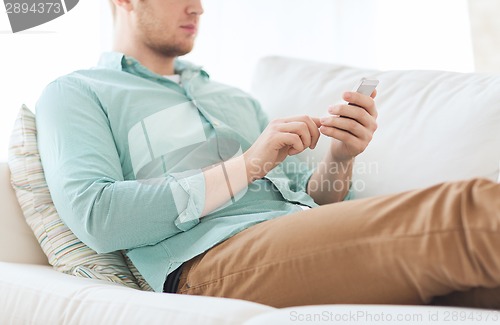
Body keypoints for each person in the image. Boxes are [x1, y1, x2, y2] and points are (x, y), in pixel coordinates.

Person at [35, 0, 500, 309]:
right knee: (468, 209)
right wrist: (250, 163)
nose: (198, 6)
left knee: (480, 288)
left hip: (293, 231)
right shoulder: (77, 92)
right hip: (210, 262)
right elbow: (98, 215)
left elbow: (313, 203)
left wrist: (340, 156)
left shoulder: (234, 99)